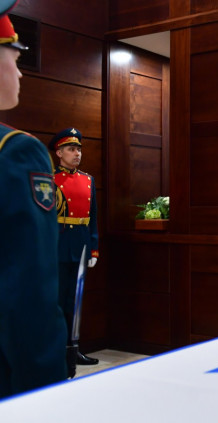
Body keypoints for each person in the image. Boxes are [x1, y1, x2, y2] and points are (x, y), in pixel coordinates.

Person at [0, 5, 68, 398]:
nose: (21, 72)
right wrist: (46, 393)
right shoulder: (15, 151)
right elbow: (27, 296)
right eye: (14, 56)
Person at [49, 127, 100, 374]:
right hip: (58, 244)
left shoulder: (88, 180)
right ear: (59, 153)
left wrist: (94, 248)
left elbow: (93, 218)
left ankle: (73, 348)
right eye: (71, 149)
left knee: (75, 301)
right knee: (57, 300)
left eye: (79, 149)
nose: (77, 153)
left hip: (81, 244)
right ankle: (56, 350)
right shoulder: (50, 179)